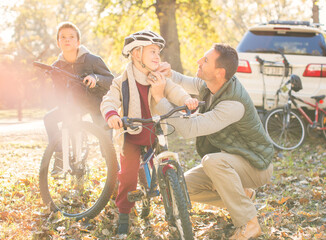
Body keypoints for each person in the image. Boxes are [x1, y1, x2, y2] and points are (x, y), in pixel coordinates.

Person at [151, 43, 274, 239]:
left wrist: (160, 100)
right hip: (231, 160)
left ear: (219, 72)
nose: (199, 61)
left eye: (205, 60)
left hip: (256, 164)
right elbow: (188, 82)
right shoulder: (213, 86)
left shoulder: (233, 104)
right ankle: (243, 197)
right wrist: (170, 73)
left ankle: (249, 223)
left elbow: (190, 129)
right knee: (181, 189)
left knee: (212, 161)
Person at [100, 30, 198, 235]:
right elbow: (109, 99)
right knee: (128, 177)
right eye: (152, 51)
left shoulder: (158, 78)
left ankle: (173, 204)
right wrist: (111, 115)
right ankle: (125, 214)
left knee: (160, 167)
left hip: (154, 131)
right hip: (132, 133)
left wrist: (186, 100)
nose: (157, 56)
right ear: (136, 54)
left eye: (158, 53)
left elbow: (174, 91)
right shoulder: (123, 81)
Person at [44, 22, 114, 175]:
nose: (67, 40)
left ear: (78, 42)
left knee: (106, 144)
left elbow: (111, 81)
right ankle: (61, 156)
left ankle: (114, 177)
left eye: (71, 37)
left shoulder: (92, 60)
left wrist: (96, 78)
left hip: (97, 105)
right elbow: (59, 93)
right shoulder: (56, 66)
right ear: (58, 42)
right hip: (74, 105)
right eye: (63, 37)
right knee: (49, 118)